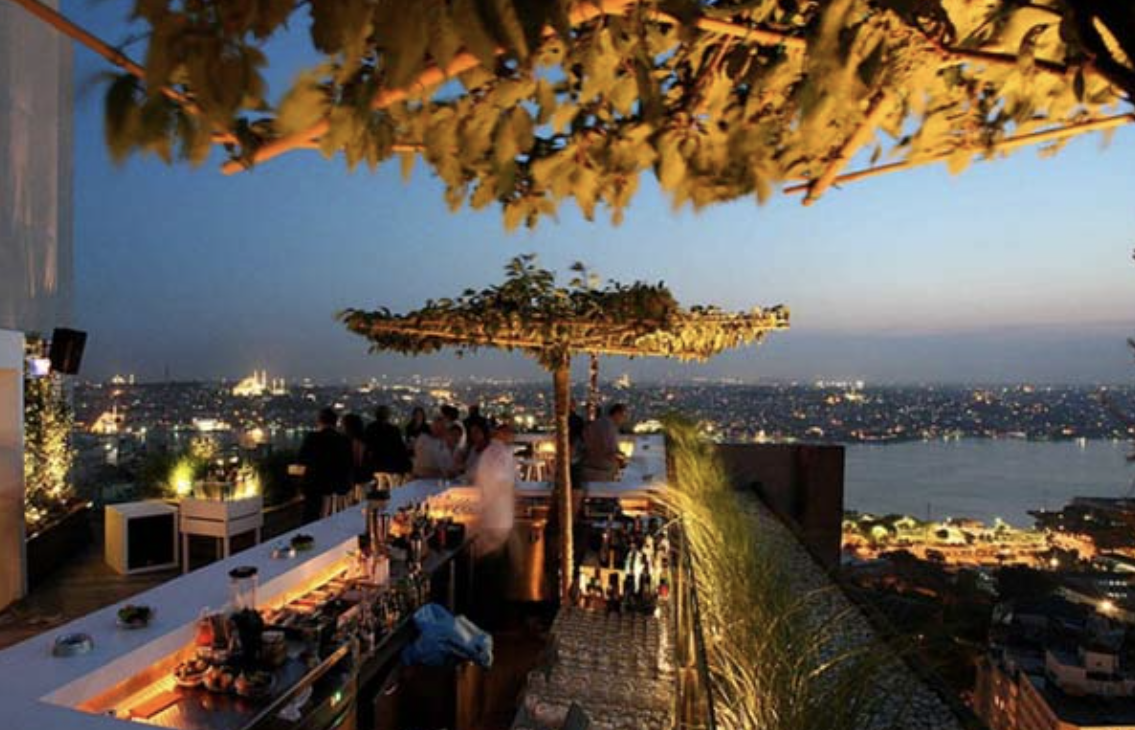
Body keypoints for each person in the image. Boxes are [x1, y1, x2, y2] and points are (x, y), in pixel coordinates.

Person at [471, 423, 517, 629]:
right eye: (511, 432)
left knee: (490, 571)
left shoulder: (489, 453)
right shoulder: (501, 454)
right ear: (503, 434)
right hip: (498, 519)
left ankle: (487, 618)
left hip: (491, 517)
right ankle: (490, 621)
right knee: (493, 573)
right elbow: (502, 484)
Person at [297, 408, 353, 523]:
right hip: (339, 487)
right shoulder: (344, 440)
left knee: (310, 519)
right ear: (335, 422)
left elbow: (301, 459)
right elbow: (349, 463)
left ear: (319, 421)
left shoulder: (313, 438)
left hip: (316, 486)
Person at [365, 405, 411, 488]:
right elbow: (400, 449)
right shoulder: (394, 430)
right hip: (391, 466)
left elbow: (367, 447)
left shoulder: (370, 428)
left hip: (375, 466)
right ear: (388, 416)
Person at [581, 403, 629, 482]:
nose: (624, 419)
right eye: (623, 415)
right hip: (601, 468)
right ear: (617, 414)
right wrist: (620, 457)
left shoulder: (597, 423)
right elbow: (608, 451)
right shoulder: (609, 427)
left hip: (588, 464)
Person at [341, 413, 369, 503]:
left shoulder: (348, 440)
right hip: (362, 475)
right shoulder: (363, 439)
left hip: (352, 476)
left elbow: (357, 461)